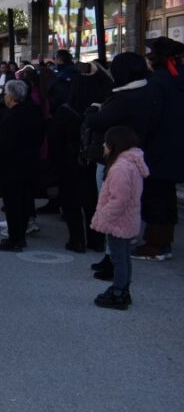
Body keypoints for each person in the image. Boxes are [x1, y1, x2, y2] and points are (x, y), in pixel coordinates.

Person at [85, 52, 158, 274]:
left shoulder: (126, 98)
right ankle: (112, 257)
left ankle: (115, 264)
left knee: (113, 208)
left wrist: (92, 111)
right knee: (124, 209)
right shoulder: (144, 92)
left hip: (115, 160)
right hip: (132, 156)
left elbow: (98, 122)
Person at [47, 63, 113, 253]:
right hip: (96, 160)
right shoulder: (103, 108)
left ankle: (76, 240)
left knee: (71, 202)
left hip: (69, 161)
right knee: (93, 201)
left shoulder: (65, 110)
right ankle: (96, 240)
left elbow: (55, 140)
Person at [133, 37, 184, 261]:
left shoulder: (158, 82)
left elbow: (150, 118)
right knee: (167, 195)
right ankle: (165, 241)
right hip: (176, 147)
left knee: (155, 196)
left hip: (158, 149)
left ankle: (155, 244)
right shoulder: (178, 79)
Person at [91, 126, 148, 310]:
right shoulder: (131, 164)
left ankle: (118, 291)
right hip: (128, 220)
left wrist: (104, 216)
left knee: (119, 258)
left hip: (118, 222)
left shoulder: (120, 169)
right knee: (124, 257)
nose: (103, 145)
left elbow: (119, 200)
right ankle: (123, 289)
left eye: (106, 142)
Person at [0, 80, 44, 252]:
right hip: (28, 164)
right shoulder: (32, 112)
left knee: (13, 204)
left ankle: (15, 239)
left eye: (6, 94)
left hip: (12, 166)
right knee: (24, 202)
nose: (4, 97)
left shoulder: (12, 116)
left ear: (12, 96)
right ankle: (19, 236)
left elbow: (2, 143)